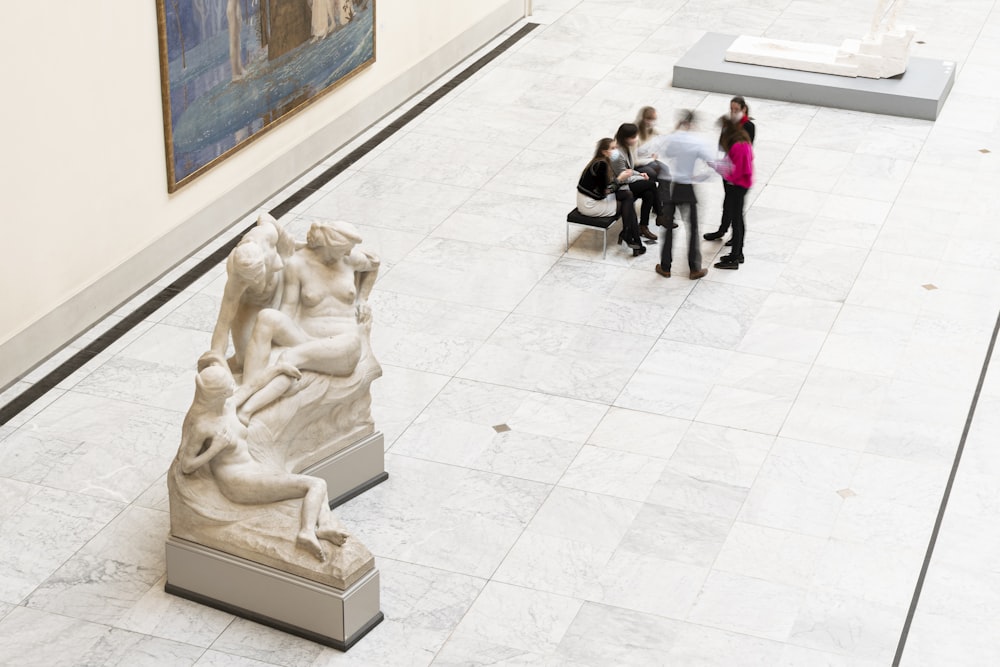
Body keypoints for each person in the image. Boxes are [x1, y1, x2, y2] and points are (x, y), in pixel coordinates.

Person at [177, 360, 348, 562]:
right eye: (227, 387)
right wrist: (214, 449)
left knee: (316, 488)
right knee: (316, 484)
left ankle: (325, 525)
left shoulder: (228, 405)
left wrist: (277, 369)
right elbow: (186, 465)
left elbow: (250, 387)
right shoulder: (203, 425)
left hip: (253, 469)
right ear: (216, 394)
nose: (233, 388)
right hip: (238, 482)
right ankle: (306, 532)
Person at [236, 220, 380, 422]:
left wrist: (362, 299)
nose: (348, 254)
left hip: (344, 345)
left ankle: (246, 411)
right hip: (306, 338)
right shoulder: (298, 264)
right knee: (267, 317)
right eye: (344, 250)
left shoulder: (349, 260)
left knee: (290, 359)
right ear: (329, 246)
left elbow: (374, 263)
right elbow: (288, 308)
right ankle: (247, 388)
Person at [209, 214, 295, 374]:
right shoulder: (237, 279)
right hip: (252, 304)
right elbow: (223, 322)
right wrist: (216, 354)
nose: (255, 283)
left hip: (281, 287)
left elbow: (266, 217)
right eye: (249, 281)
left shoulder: (265, 235)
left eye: (257, 277)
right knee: (245, 360)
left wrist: (288, 255)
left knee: (282, 341)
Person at [655, 110, 719, 280]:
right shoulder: (698, 142)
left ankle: (665, 266)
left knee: (668, 228)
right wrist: (701, 176)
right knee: (693, 229)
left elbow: (666, 153)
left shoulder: (675, 138)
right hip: (688, 188)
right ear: (693, 123)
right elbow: (712, 163)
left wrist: (675, 131)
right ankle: (694, 268)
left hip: (674, 187)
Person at [576, 137, 646, 256]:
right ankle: (631, 237)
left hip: (590, 199)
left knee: (628, 196)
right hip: (590, 204)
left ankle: (631, 237)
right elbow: (605, 192)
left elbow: (608, 185)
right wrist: (620, 179)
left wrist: (631, 175)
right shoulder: (601, 166)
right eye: (613, 148)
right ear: (604, 151)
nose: (616, 151)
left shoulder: (602, 162)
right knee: (628, 200)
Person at [704, 96, 756, 242]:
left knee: (735, 206)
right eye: (731, 109)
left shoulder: (748, 126)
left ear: (743, 109)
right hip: (727, 167)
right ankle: (723, 229)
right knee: (727, 201)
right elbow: (721, 144)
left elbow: (745, 147)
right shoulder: (728, 124)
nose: (733, 112)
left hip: (737, 171)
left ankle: (735, 236)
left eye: (736, 110)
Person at [712, 116, 754, 270]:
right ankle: (736, 253)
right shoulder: (743, 142)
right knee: (737, 221)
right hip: (739, 186)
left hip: (737, 187)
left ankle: (735, 257)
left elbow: (742, 170)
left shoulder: (738, 146)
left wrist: (721, 169)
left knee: (737, 222)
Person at [611, 123, 662, 244]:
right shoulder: (617, 155)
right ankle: (660, 215)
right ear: (625, 138)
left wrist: (638, 174)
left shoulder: (626, 147)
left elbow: (629, 169)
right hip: (620, 187)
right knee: (651, 185)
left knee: (649, 193)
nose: (636, 139)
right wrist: (639, 177)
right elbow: (623, 178)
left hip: (628, 180)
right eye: (633, 137)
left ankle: (643, 226)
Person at [633, 106, 677, 230]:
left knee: (666, 174)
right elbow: (634, 160)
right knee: (652, 174)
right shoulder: (635, 133)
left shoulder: (652, 130)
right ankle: (658, 208)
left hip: (650, 160)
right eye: (650, 119)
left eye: (654, 119)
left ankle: (663, 210)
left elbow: (665, 135)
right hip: (639, 164)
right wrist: (651, 160)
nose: (652, 122)